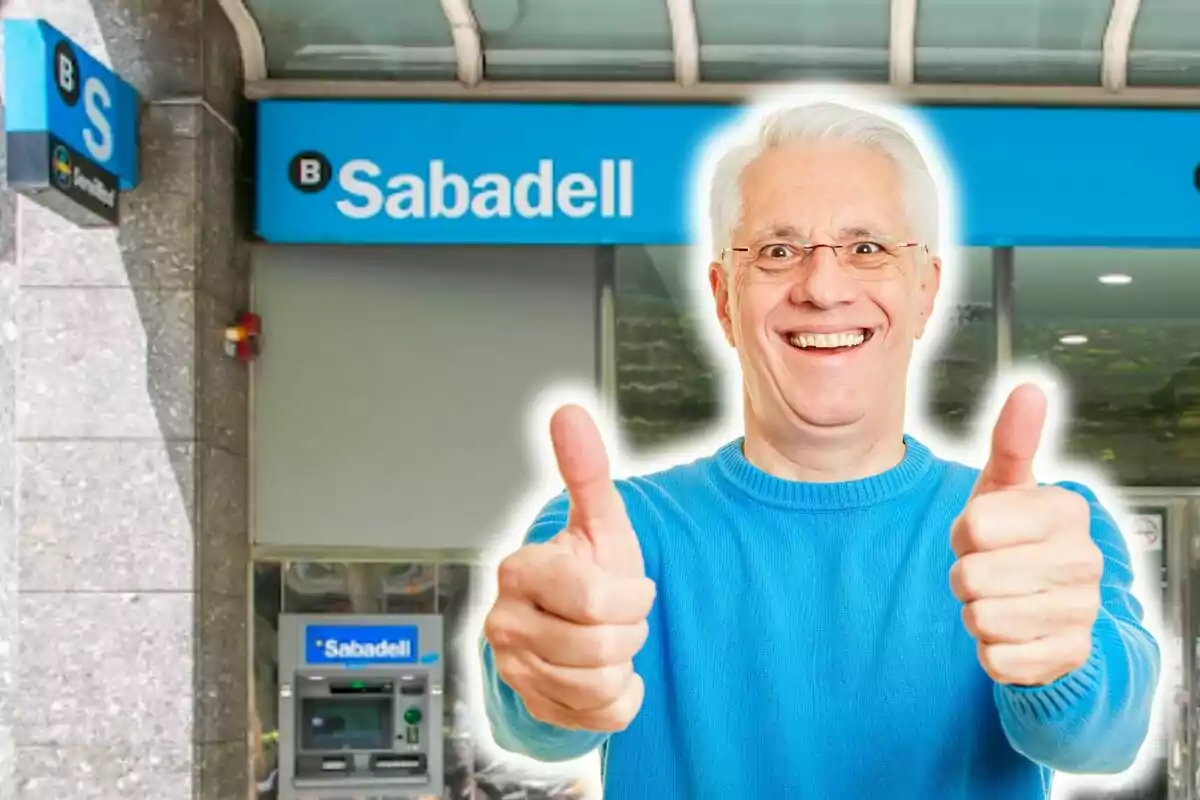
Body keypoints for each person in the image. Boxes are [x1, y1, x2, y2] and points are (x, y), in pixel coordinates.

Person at [477, 96, 1161, 799]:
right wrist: (555, 671)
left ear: (925, 288)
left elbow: (1106, 738)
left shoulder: (1035, 534)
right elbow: (535, 716)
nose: (824, 287)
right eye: (778, 251)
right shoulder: (611, 533)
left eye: (867, 248)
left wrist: (1061, 660)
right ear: (723, 297)